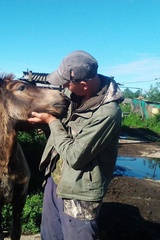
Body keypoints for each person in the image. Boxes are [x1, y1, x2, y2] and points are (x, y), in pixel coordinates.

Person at [28, 50, 124, 240]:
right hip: (55, 182)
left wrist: (50, 122)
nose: (63, 86)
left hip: (79, 194)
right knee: (50, 235)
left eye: (66, 83)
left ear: (84, 85)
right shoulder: (73, 95)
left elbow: (74, 156)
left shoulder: (108, 113)